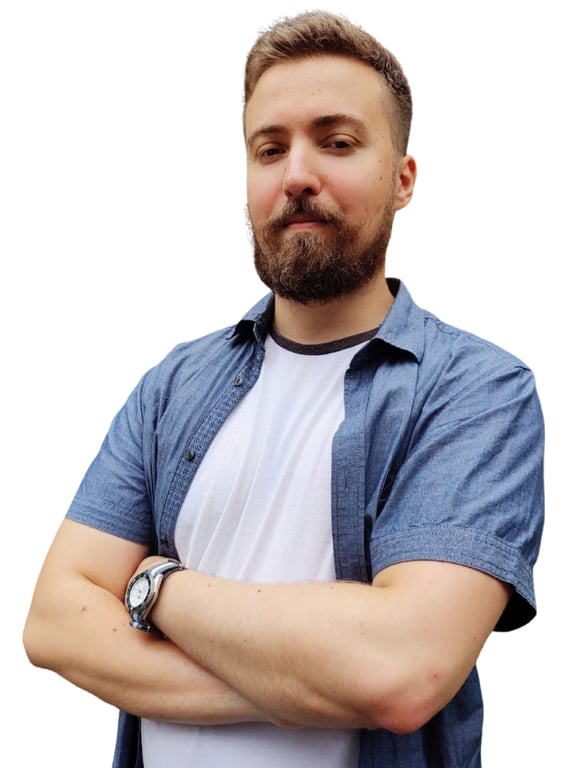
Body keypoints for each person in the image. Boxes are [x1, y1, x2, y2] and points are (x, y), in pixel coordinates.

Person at [23, 9, 544, 768]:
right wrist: (304, 688)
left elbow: (403, 673)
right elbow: (52, 623)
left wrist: (156, 587)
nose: (296, 175)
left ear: (402, 180)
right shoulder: (173, 386)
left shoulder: (475, 392)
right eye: (269, 149)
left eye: (337, 143)